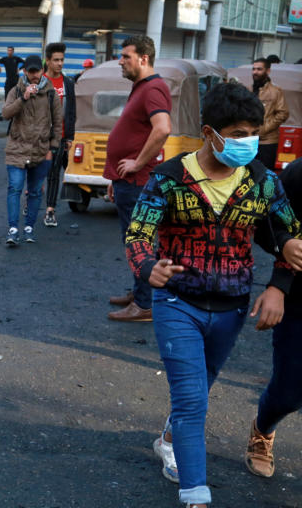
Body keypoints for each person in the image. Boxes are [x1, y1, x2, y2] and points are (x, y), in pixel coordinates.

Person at [125, 82, 302, 508]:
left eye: (252, 133)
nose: (247, 142)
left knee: (200, 387)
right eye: (238, 133)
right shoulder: (170, 178)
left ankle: (169, 439)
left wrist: (279, 282)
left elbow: (288, 237)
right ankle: (196, 495)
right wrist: (151, 267)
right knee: (191, 400)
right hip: (177, 301)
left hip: (231, 307)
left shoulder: (263, 182)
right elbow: (138, 233)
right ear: (210, 132)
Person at [104, 35, 171, 322]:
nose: (121, 61)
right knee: (134, 240)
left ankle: (144, 305)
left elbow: (163, 129)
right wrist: (114, 178)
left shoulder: (153, 88)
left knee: (139, 241)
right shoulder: (142, 87)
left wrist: (137, 164)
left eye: (126, 56)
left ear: (143, 59)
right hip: (127, 182)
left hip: (138, 182)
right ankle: (140, 291)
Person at [245, 157, 302, 479]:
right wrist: (284, 244)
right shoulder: (298, 173)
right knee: (287, 394)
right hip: (299, 299)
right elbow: (268, 221)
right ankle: (262, 429)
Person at [2, 54, 63, 245]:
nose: (35, 75)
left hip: (41, 150)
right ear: (25, 72)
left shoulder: (51, 93)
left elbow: (58, 123)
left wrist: (52, 148)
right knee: (15, 189)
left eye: (37, 71)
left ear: (42, 71)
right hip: (16, 149)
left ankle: (29, 228)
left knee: (35, 192)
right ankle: (13, 230)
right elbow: (5, 114)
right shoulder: (16, 90)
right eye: (31, 71)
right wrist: (24, 98)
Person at [42, 43, 77, 228]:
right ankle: (49, 210)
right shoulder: (40, 82)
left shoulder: (68, 83)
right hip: (44, 137)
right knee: (51, 173)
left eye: (62, 60)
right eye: (56, 60)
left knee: (63, 171)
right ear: (48, 60)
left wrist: (70, 136)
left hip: (63, 137)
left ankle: (54, 207)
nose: (59, 63)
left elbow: (71, 111)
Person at [250, 57, 288, 171]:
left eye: (259, 69)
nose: (255, 72)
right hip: (249, 140)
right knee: (247, 174)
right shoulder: (249, 89)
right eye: (253, 69)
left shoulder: (276, 91)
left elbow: (283, 113)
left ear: (268, 71)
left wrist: (263, 129)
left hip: (267, 142)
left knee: (265, 176)